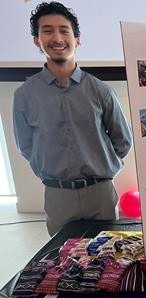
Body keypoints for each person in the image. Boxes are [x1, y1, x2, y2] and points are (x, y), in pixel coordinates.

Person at [13, 2, 132, 236]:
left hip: (100, 193)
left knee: (107, 254)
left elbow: (123, 141)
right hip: (57, 195)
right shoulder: (24, 95)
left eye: (64, 30)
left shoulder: (101, 91)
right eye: (48, 31)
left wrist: (100, 166)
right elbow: (26, 146)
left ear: (77, 40)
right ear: (37, 40)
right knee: (62, 256)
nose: (57, 38)